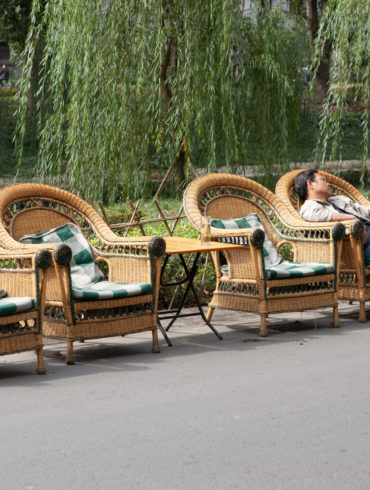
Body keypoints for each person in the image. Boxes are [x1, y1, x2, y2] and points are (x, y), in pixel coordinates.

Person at [294, 168, 370, 265]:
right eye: (323, 180)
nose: (328, 184)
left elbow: (365, 211)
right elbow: (316, 215)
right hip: (359, 246)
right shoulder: (309, 208)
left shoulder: (339, 200)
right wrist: (352, 219)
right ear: (310, 183)